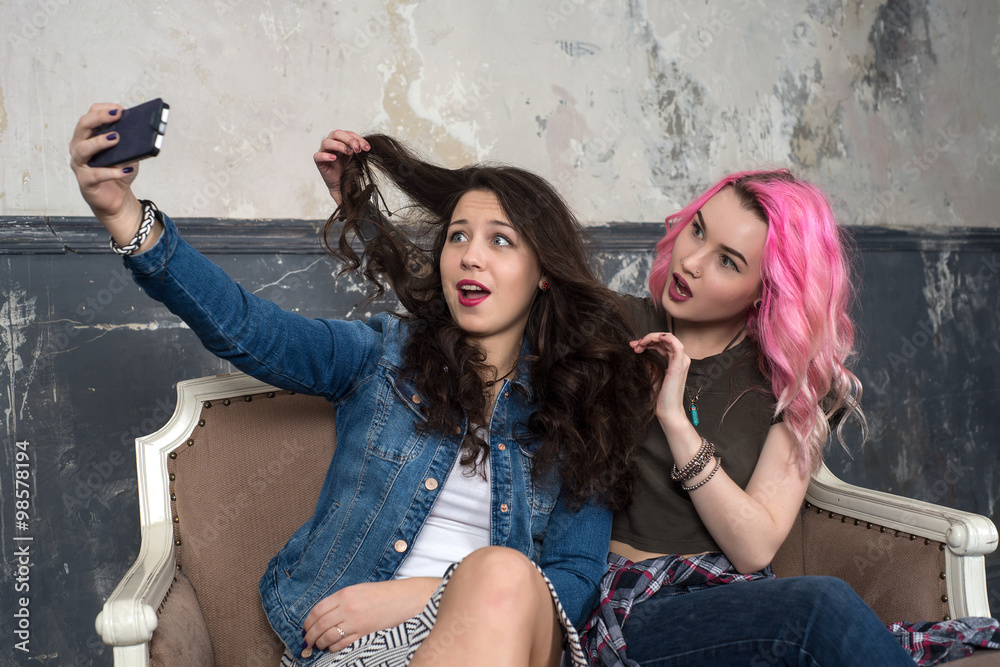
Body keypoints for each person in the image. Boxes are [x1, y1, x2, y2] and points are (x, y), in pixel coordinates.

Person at [69, 105, 654, 667]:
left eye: (500, 240)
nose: (471, 257)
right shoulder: (384, 358)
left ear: (544, 272)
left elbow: (575, 581)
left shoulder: (582, 403)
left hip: (506, 634)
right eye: (457, 237)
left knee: (503, 575)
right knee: (500, 575)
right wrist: (127, 218)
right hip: (363, 647)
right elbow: (250, 329)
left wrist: (425, 595)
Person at [583, 170, 1000, 666]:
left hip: (735, 596)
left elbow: (754, 547)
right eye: (697, 230)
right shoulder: (617, 327)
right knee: (818, 606)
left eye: (727, 261)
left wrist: (675, 422)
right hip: (633, 604)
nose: (690, 262)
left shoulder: (789, 382)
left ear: (766, 288)